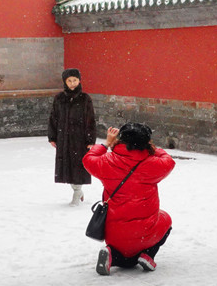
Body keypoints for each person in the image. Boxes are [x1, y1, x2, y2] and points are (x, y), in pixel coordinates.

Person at [82, 122, 175, 275]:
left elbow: (88, 159)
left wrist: (106, 144)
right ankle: (148, 255)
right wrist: (152, 149)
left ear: (121, 139)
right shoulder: (153, 164)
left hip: (114, 234)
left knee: (124, 256)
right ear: (146, 142)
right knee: (166, 219)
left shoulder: (108, 162)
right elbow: (169, 161)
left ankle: (112, 254)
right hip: (146, 233)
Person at [48, 68, 97, 205]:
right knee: (66, 167)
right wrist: (52, 136)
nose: (72, 83)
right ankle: (77, 190)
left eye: (74, 80)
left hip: (79, 139)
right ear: (65, 81)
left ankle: (77, 192)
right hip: (63, 138)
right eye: (69, 80)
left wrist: (90, 139)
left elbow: (90, 119)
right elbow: (53, 118)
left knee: (77, 166)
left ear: (79, 80)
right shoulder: (59, 98)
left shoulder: (85, 99)